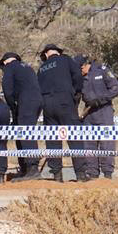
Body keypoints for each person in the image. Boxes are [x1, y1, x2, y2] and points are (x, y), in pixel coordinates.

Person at [36, 43, 82, 182]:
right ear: (58, 52)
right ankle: (80, 174)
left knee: (52, 139)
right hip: (64, 100)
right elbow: (78, 76)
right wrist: (75, 93)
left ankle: (56, 174)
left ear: (45, 54)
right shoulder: (66, 59)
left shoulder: (42, 68)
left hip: (47, 103)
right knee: (74, 136)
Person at [73, 56, 118, 181]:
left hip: (104, 111)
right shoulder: (79, 78)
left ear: (84, 65)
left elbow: (116, 89)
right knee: (88, 144)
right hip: (88, 114)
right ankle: (92, 174)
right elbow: (76, 97)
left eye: (80, 70)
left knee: (107, 143)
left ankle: (107, 174)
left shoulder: (102, 70)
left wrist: (101, 100)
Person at [0, 51, 42, 181]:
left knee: (25, 133)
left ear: (5, 62)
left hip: (26, 102)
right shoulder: (27, 67)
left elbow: (7, 90)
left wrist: (12, 107)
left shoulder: (9, 67)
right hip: (37, 101)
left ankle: (32, 169)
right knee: (23, 131)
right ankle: (25, 169)